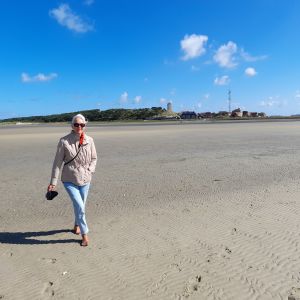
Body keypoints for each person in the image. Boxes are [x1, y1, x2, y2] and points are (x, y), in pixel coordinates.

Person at [48, 114, 97, 246]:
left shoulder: (90, 140)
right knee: (80, 206)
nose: (79, 127)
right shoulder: (64, 141)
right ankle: (84, 234)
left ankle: (76, 225)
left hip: (86, 179)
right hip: (69, 179)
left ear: (85, 125)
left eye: (82, 125)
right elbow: (57, 163)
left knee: (81, 205)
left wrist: (90, 170)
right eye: (76, 124)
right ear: (72, 125)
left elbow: (94, 158)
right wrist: (53, 183)